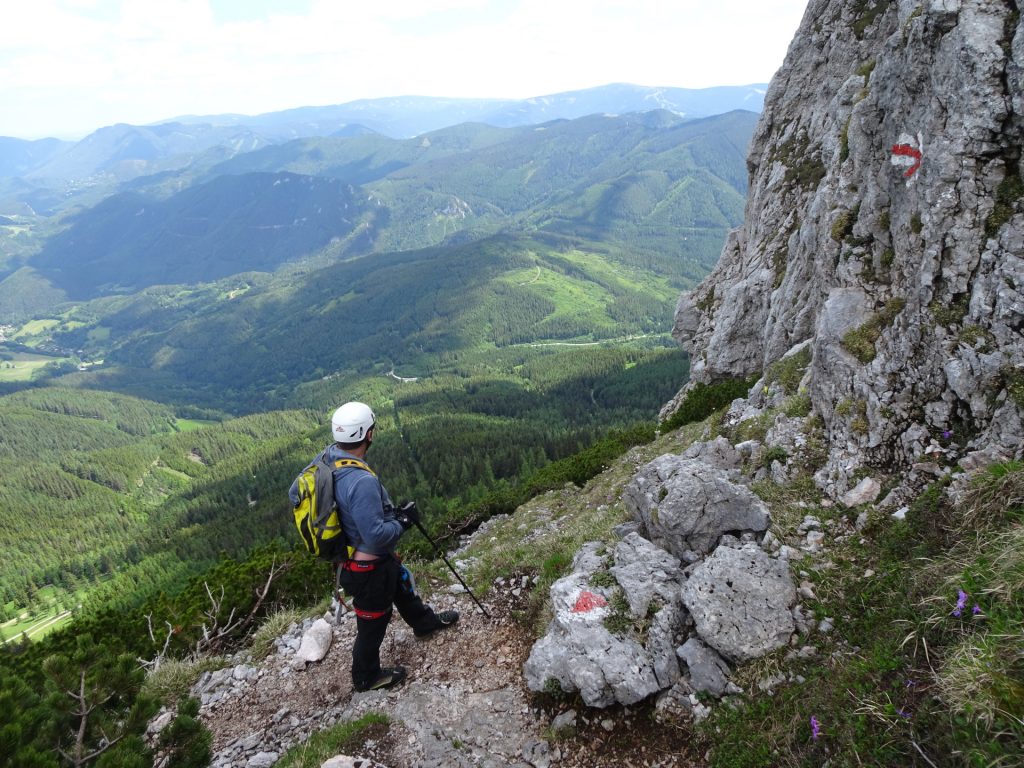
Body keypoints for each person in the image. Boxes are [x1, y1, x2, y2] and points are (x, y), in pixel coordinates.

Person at [327, 401, 459, 692]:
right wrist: (403, 522)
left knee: (401, 584)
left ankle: (424, 623)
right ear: (368, 434)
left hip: (363, 559)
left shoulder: (329, 459)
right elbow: (375, 536)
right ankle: (365, 676)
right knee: (374, 620)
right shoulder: (359, 480)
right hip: (367, 566)